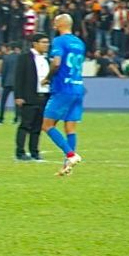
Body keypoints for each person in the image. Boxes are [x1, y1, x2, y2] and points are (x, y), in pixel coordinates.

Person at [41, 14, 85, 176]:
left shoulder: (59, 41)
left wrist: (47, 78)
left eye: (55, 22)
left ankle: (71, 155)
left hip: (63, 88)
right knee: (70, 128)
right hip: (78, 87)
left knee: (47, 125)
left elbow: (57, 63)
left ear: (60, 24)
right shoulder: (80, 43)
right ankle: (68, 165)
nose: (53, 24)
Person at [14, 34, 50, 161]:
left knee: (37, 127)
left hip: (43, 97)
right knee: (25, 125)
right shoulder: (24, 58)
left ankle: (34, 152)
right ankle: (20, 152)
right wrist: (18, 96)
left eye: (47, 42)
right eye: (43, 42)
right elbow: (18, 78)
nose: (46, 45)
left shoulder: (47, 59)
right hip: (29, 97)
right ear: (35, 43)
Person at [0, 43, 20, 125]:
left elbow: (4, 71)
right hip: (17, 82)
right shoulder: (19, 57)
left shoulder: (6, 57)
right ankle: (17, 119)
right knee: (17, 101)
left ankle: (1, 118)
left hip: (7, 82)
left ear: (8, 48)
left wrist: (2, 83)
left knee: (3, 101)